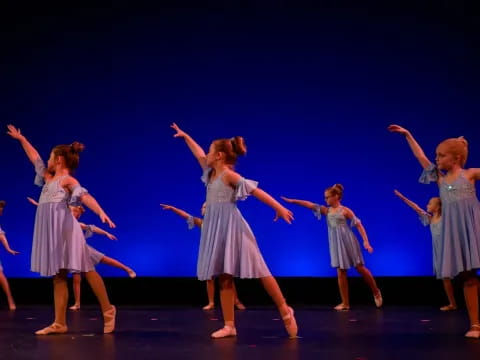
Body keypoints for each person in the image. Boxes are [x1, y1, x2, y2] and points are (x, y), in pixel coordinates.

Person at [171, 122, 297, 339]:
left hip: (233, 226)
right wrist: (186, 137)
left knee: (261, 269)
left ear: (219, 156)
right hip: (215, 226)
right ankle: (230, 325)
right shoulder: (210, 173)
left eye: (210, 151)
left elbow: (256, 191)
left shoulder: (228, 175)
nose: (206, 154)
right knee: (224, 275)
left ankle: (285, 309)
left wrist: (279, 207)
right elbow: (198, 154)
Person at [7, 124, 116, 335]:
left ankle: (108, 310)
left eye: (50, 157)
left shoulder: (67, 180)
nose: (46, 161)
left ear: (58, 160)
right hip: (53, 234)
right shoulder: (48, 178)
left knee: (87, 269)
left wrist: (100, 212)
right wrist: (22, 139)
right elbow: (35, 158)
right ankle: (59, 323)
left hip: (67, 231)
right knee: (59, 275)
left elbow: (84, 196)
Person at [389, 124, 480, 338]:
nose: (436, 159)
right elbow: (420, 157)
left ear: (456, 158)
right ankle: (475, 324)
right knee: (467, 276)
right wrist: (408, 135)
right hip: (457, 232)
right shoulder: (440, 179)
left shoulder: (470, 174)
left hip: (474, 227)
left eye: (441, 155)